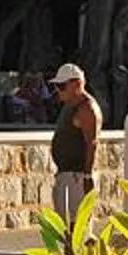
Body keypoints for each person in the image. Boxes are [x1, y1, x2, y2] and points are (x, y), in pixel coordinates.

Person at [48, 62, 102, 224]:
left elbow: (92, 143)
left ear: (76, 84)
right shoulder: (70, 106)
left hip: (77, 175)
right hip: (66, 173)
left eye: (62, 86)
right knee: (64, 224)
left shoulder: (86, 109)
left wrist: (87, 175)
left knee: (78, 224)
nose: (59, 91)